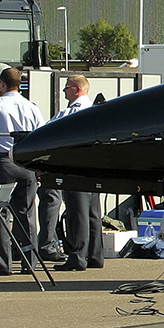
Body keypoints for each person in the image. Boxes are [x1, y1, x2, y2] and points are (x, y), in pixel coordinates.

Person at [0, 65, 44, 275]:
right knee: (27, 214)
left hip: (3, 162)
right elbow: (41, 131)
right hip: (25, 163)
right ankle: (29, 262)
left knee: (1, 213)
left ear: (2, 84)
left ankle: (4, 263)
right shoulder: (31, 106)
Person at [50, 75, 105, 271]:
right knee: (92, 214)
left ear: (78, 89)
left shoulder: (72, 112)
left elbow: (52, 133)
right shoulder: (94, 109)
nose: (65, 91)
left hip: (74, 167)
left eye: (68, 87)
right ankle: (95, 255)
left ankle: (77, 257)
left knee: (77, 213)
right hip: (92, 168)